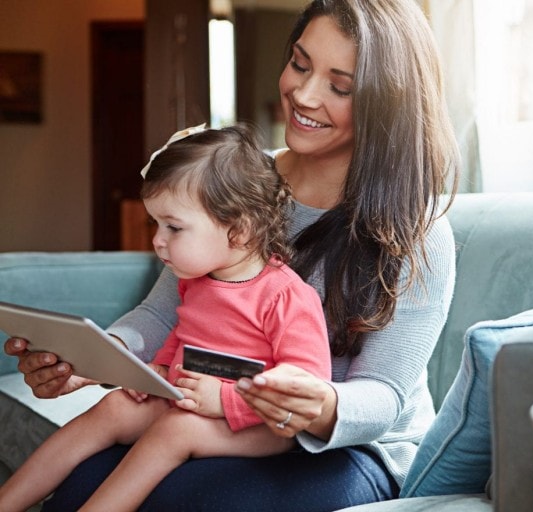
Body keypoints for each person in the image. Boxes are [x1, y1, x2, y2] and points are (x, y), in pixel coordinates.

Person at [4, 0, 460, 510]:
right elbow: (164, 309)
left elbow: (384, 395)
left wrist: (319, 400)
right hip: (208, 410)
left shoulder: (414, 228)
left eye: (340, 86)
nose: (303, 95)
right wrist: (101, 356)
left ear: (387, 103)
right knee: (79, 488)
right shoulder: (241, 181)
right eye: (300, 63)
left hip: (345, 447)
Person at [0, 124, 332, 512]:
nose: (158, 239)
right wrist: (157, 368)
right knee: (115, 407)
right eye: (156, 224)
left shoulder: (286, 296)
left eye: (174, 227)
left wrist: (226, 399)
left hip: (264, 427)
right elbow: (183, 337)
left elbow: (304, 388)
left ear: (239, 231)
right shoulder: (196, 281)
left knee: (177, 429)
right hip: (191, 400)